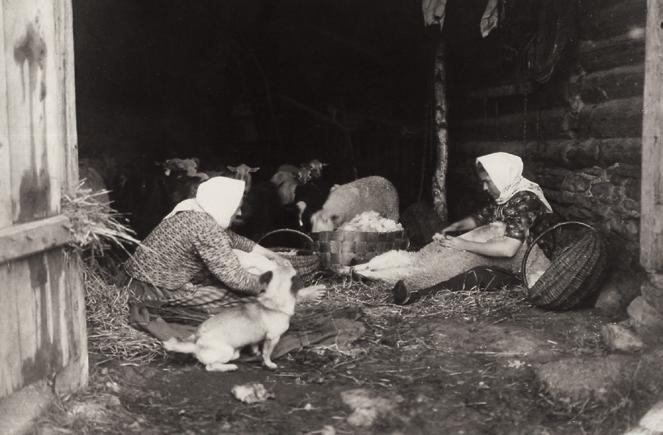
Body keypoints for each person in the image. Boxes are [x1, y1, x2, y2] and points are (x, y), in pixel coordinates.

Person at [121, 176, 295, 338]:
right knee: (234, 301)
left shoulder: (192, 209)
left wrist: (270, 254)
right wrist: (274, 285)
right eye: (236, 206)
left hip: (134, 279)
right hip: (155, 291)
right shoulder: (206, 227)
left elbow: (232, 238)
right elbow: (237, 279)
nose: (239, 212)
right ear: (224, 203)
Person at [393, 152, 553, 304]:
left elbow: (508, 250)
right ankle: (415, 275)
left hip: (528, 262)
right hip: (509, 250)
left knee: (473, 266)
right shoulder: (506, 196)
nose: (484, 187)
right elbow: (478, 219)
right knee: (456, 250)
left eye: (487, 181)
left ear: (501, 177)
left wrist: (465, 244)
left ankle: (420, 291)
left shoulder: (526, 201)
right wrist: (451, 228)